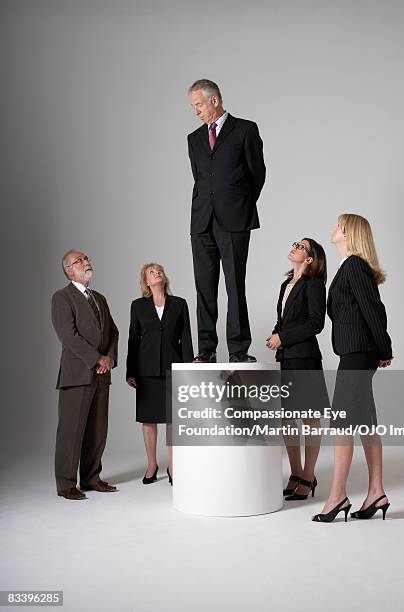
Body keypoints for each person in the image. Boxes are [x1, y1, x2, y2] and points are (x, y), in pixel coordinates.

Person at [312, 214, 393, 523]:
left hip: (358, 354)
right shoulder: (349, 267)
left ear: (347, 233)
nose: (333, 229)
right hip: (357, 353)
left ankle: (337, 497)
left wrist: (383, 349)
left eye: (338, 225)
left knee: (342, 423)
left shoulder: (355, 266)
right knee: (365, 423)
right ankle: (376, 494)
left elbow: (374, 308)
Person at [187, 79, 266, 363]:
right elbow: (200, 178)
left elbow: (257, 175)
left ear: (214, 100)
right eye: (193, 106)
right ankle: (206, 350)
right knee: (204, 288)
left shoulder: (245, 129)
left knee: (235, 285)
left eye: (198, 104)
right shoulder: (193, 139)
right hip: (201, 222)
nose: (195, 111)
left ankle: (238, 350)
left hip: (234, 220)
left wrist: (239, 205)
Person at [51, 250, 119, 500]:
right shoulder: (62, 297)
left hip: (102, 374)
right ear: (69, 270)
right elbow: (68, 336)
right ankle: (65, 483)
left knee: (97, 429)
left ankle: (91, 478)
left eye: (86, 258)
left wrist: (109, 358)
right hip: (77, 374)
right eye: (79, 260)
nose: (86, 261)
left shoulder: (99, 298)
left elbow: (113, 331)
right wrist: (96, 359)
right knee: (71, 430)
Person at [266, 239, 328, 500]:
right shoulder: (286, 284)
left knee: (310, 418)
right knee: (287, 419)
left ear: (310, 259)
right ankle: (296, 473)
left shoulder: (313, 284)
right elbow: (284, 320)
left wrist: (284, 337)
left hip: (305, 358)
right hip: (287, 357)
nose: (294, 247)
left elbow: (316, 323)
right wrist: (276, 333)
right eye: (295, 243)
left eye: (301, 246)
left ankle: (309, 475)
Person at [126, 263, 193, 485]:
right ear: (146, 281)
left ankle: (173, 465)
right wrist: (130, 371)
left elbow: (186, 339)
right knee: (149, 419)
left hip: (173, 367)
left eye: (160, 271)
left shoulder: (179, 304)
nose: (157, 273)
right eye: (152, 272)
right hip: (146, 369)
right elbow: (133, 340)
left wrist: (188, 369)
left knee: (173, 419)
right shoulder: (138, 306)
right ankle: (151, 464)